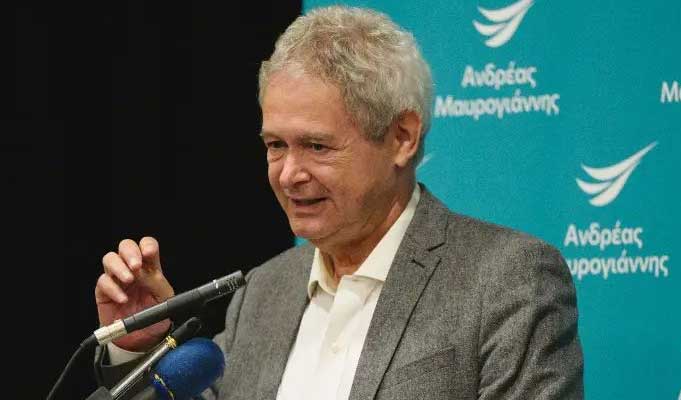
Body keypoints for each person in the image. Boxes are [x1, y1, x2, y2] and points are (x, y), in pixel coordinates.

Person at [94, 5, 583, 399]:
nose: (289, 173)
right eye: (275, 145)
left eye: (317, 146)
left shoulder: (505, 280)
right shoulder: (263, 292)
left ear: (402, 137)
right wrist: (142, 350)